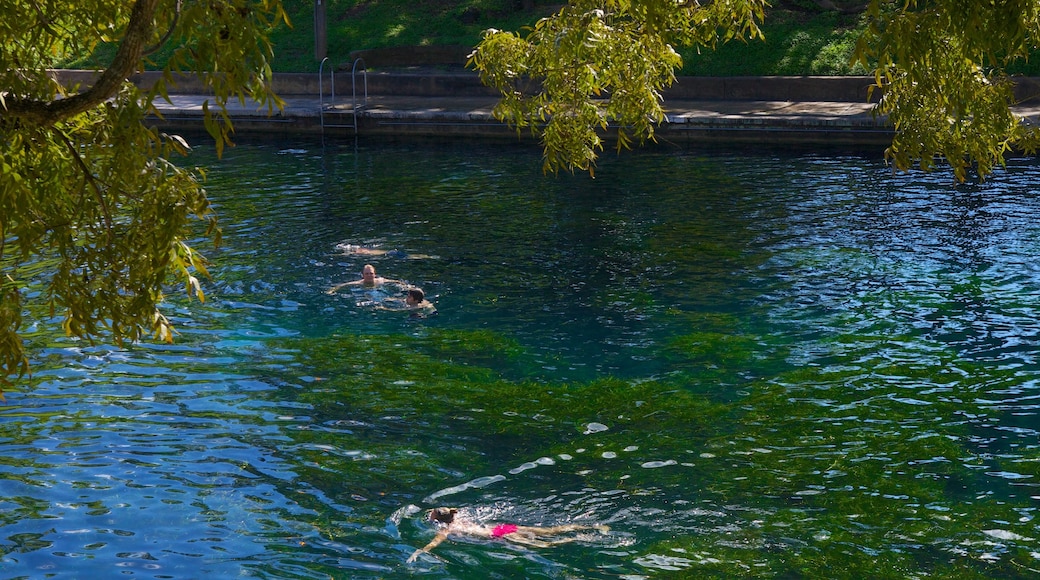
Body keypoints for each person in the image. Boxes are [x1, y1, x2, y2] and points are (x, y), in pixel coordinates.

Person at [406, 507, 609, 563]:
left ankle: (576, 538)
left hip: (498, 537)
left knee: (544, 545)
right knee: (550, 531)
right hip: (502, 528)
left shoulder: (447, 530)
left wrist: (419, 551)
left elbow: (434, 543)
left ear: (439, 521)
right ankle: (590, 526)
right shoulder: (457, 517)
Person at [326, 264, 402, 294]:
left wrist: (406, 286)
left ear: (374, 274)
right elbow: (344, 285)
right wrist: (333, 290)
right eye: (367, 274)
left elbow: (396, 282)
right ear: (363, 275)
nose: (369, 275)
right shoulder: (360, 283)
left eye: (371, 273)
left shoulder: (380, 281)